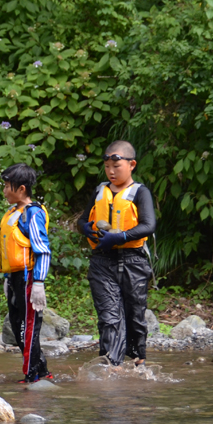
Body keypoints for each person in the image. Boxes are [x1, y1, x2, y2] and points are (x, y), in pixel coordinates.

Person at [77, 141, 156, 367]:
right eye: (107, 167)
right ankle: (111, 365)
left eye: (116, 166)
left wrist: (120, 237)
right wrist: (86, 228)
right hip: (102, 262)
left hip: (133, 261)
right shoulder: (99, 191)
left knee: (135, 314)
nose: (111, 171)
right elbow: (82, 220)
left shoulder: (140, 193)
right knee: (109, 316)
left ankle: (138, 360)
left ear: (131, 164)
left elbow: (149, 225)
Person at [0, 163, 53, 383]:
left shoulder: (33, 213)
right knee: (16, 324)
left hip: (29, 278)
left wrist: (38, 282)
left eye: (7, 186)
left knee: (28, 327)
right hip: (14, 278)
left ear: (21, 189)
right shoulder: (13, 212)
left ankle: (32, 376)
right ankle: (41, 370)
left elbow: (43, 251)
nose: (4, 191)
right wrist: (7, 279)